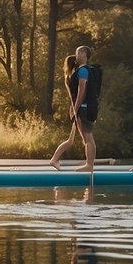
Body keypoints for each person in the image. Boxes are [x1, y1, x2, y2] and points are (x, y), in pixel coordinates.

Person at [47, 45, 98, 175]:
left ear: (83, 54)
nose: (76, 55)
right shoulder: (81, 71)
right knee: (88, 139)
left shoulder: (82, 71)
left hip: (82, 109)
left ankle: (55, 160)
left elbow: (82, 90)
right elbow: (81, 92)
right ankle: (89, 165)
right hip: (82, 109)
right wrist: (75, 108)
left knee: (81, 139)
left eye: (77, 53)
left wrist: (75, 108)